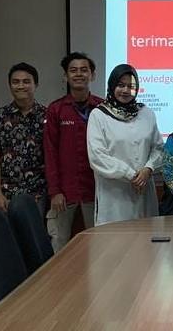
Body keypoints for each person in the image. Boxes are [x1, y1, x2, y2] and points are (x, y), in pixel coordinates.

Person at [86, 64, 163, 226]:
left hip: (144, 191)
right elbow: (98, 156)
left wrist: (148, 168)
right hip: (114, 195)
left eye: (131, 86)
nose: (126, 91)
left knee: (147, 243)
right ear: (112, 86)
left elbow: (158, 148)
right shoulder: (99, 115)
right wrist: (131, 175)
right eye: (121, 85)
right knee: (115, 244)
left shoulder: (146, 113)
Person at [44, 52, 104, 251]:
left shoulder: (102, 108)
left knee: (99, 244)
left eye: (84, 70)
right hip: (64, 192)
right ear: (65, 76)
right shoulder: (56, 110)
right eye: (73, 70)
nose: (79, 74)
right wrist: (55, 191)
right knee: (59, 244)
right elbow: (50, 152)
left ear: (92, 75)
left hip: (96, 191)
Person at [0, 62, 47, 211]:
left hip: (38, 192)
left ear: (36, 84)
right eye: (16, 82)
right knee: (6, 234)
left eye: (26, 82)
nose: (21, 86)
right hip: (7, 192)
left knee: (33, 233)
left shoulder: (47, 116)